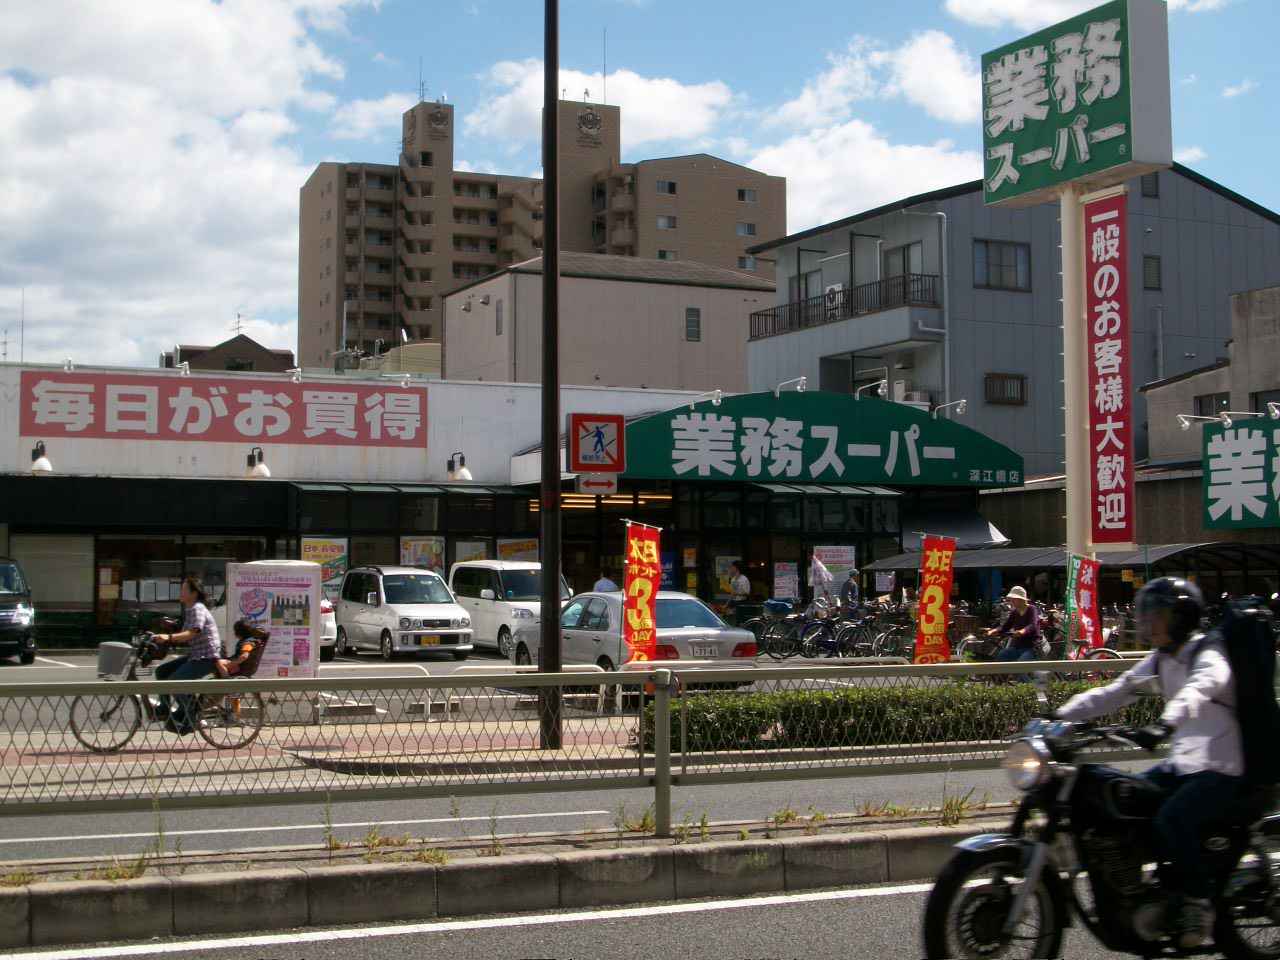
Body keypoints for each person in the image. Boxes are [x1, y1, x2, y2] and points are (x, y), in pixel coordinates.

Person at [1055, 577, 1241, 950]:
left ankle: (1198, 905)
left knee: (1171, 818)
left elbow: (1199, 689)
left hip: (1220, 767)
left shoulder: (1209, 652)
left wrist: (1165, 724)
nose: (1150, 622)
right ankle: (1156, 891)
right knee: (1131, 800)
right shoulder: (1161, 659)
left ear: (1182, 616)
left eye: (1160, 613)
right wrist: (1060, 717)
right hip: (1184, 764)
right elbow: (1117, 692)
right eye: (1149, 613)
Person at [152, 576, 221, 734]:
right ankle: (164, 708)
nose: (181, 592)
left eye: (184, 589)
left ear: (193, 593)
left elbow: (191, 633)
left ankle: (192, 718)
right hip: (196, 655)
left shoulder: (198, 608)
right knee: (161, 671)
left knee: (174, 683)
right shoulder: (190, 609)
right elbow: (185, 633)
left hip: (205, 657)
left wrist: (168, 637)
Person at [982, 585, 1041, 662]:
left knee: (1020, 667)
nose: (1012, 602)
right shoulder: (1014, 612)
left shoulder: (1031, 609)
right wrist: (993, 631)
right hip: (1017, 647)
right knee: (1001, 655)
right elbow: (1005, 626)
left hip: (1031, 648)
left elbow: (1033, 625)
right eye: (1011, 600)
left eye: (1014, 600)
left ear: (1022, 600)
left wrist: (1022, 631)